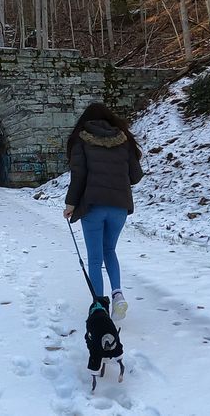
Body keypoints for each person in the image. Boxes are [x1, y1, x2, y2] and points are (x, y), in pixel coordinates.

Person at [63, 103, 144, 321]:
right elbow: (136, 176)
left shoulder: (81, 139)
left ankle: (99, 305)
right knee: (110, 250)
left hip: (93, 206)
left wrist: (71, 204)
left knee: (94, 258)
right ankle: (117, 295)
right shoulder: (124, 139)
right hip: (119, 205)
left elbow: (78, 176)